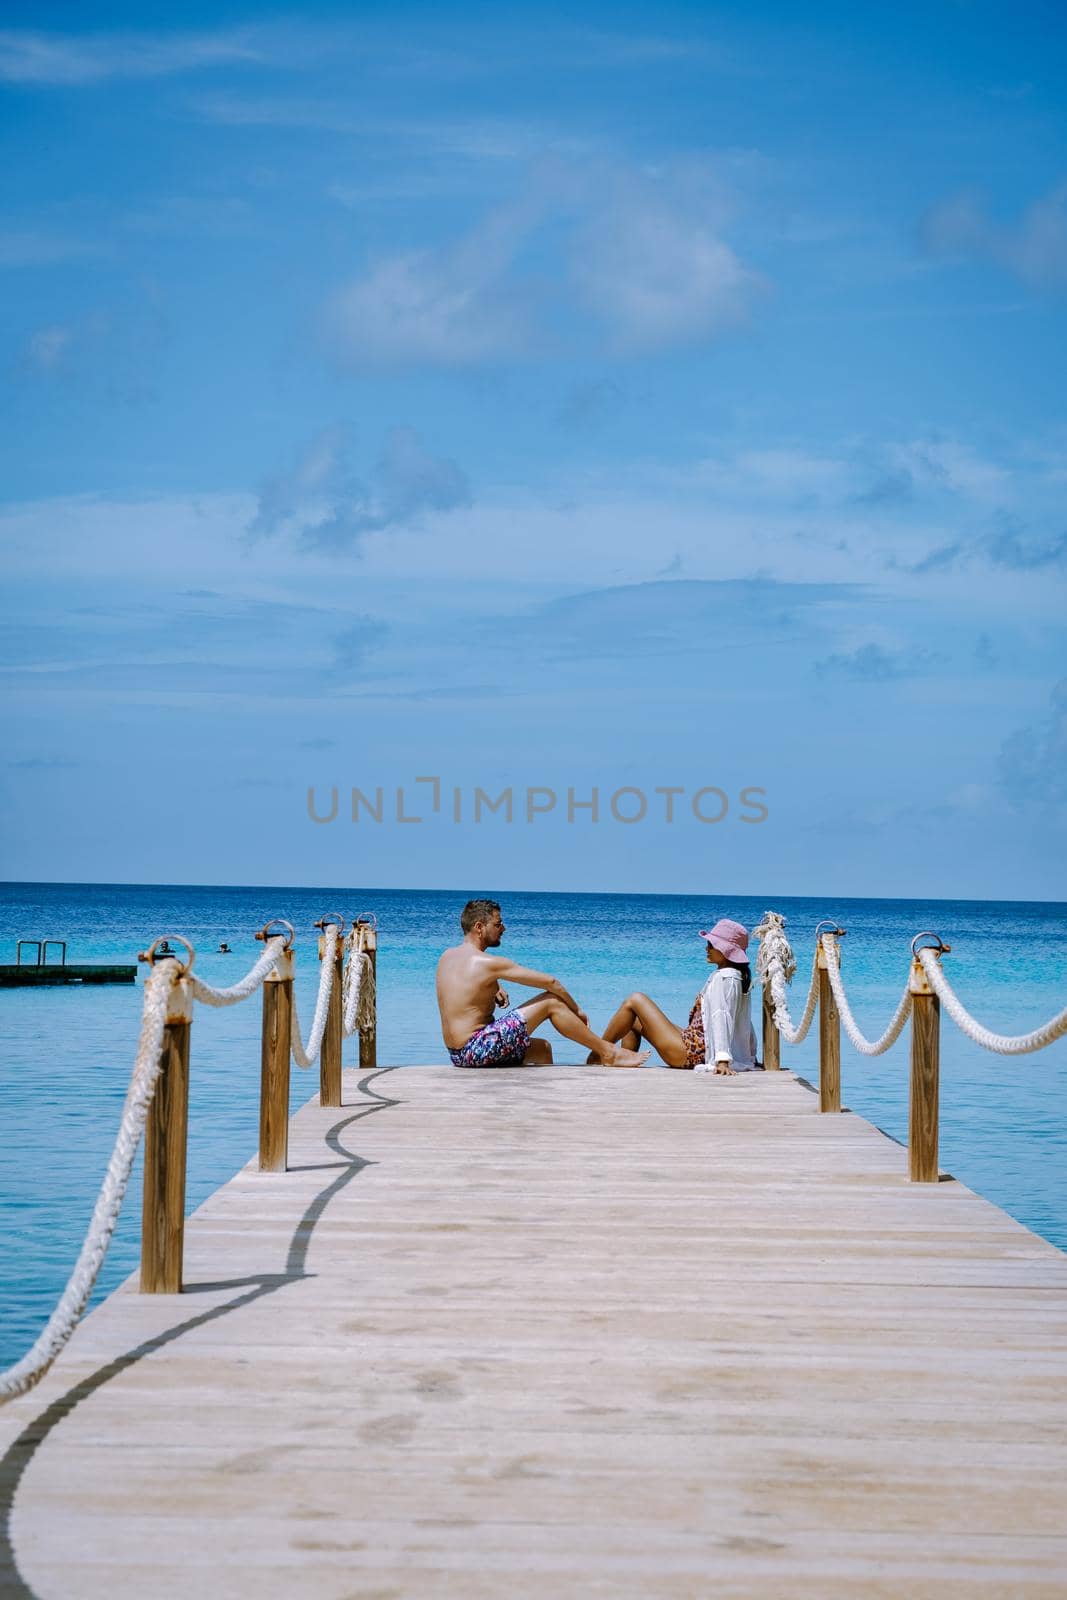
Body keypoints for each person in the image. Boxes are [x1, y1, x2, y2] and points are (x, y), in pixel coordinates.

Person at [436, 899, 651, 1069]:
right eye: (498, 924)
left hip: (458, 1055)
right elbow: (551, 982)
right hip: (477, 1048)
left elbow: (466, 987)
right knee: (551, 1002)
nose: (504, 928)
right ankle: (608, 1053)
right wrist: (577, 1010)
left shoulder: (447, 957)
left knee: (542, 1049)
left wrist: (497, 988)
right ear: (479, 927)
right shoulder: (490, 964)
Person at [596, 917, 761, 1073]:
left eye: (711, 945)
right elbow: (743, 1022)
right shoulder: (735, 976)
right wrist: (749, 1056)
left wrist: (723, 1060)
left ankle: (597, 1055)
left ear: (724, 950)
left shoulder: (724, 978)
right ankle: (621, 1062)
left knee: (635, 999)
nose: (707, 949)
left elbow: (722, 1016)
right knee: (634, 1020)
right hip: (697, 1044)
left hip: (694, 1053)